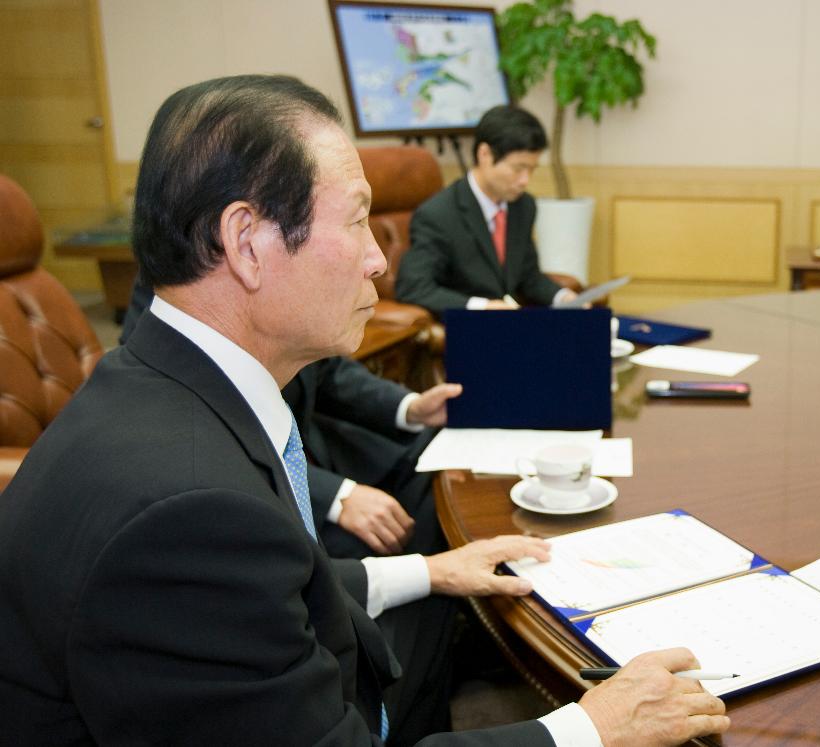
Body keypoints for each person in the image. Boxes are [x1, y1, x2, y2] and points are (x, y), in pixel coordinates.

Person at [0, 75, 729, 745]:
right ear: (246, 242)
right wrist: (588, 729)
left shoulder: (161, 379)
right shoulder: (187, 513)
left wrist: (430, 571)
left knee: (455, 602)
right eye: (355, 222)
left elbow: (270, 587)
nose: (379, 259)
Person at [121, 280, 450, 559]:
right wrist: (335, 496)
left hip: (314, 446)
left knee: (434, 458)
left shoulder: (289, 259)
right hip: (252, 491)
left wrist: (410, 407)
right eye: (355, 223)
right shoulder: (174, 280)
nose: (375, 261)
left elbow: (326, 370)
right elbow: (192, 423)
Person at [395, 105, 578, 314]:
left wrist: (563, 297)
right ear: (485, 154)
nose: (525, 180)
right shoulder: (438, 215)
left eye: (531, 169)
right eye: (518, 168)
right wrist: (483, 307)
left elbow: (527, 275)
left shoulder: (523, 206)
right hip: (467, 331)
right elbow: (413, 287)